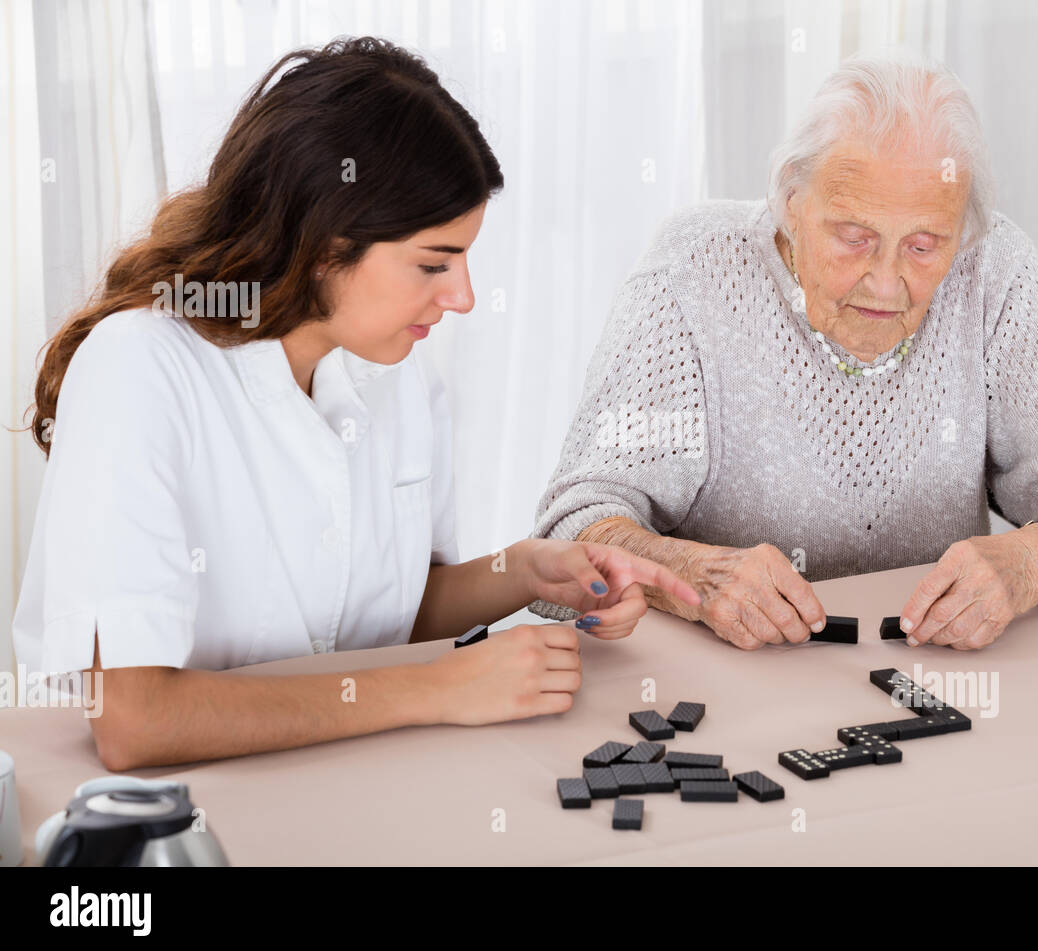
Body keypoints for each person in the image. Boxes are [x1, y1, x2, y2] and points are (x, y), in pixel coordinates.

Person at [12, 37, 698, 772]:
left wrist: (526, 573)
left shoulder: (393, 368)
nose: (462, 297)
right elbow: (136, 722)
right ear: (321, 246)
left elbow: (386, 616)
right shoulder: (139, 368)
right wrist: (439, 690)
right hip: (194, 805)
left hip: (358, 771)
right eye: (433, 264)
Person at [528, 50, 1038, 651]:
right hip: (730, 676)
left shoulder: (992, 267)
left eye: (924, 245)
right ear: (790, 202)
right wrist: (697, 574)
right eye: (855, 237)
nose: (886, 282)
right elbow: (574, 526)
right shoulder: (693, 275)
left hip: (935, 669)